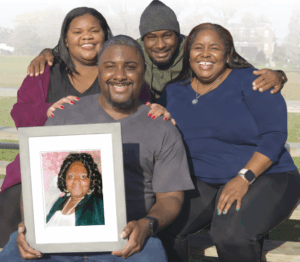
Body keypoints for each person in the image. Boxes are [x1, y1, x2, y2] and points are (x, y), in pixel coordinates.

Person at [0, 35, 194, 261]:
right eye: (110, 67)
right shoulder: (65, 114)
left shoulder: (161, 128)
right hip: (56, 236)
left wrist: (146, 225)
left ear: (144, 72)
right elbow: (34, 185)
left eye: (130, 67)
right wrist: (30, 228)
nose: (120, 75)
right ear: (99, 72)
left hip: (127, 238)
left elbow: (171, 197)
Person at [156, 23, 300, 262]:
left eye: (214, 47)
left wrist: (244, 177)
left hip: (268, 175)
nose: (205, 54)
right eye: (198, 47)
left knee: (230, 234)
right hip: (206, 180)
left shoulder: (254, 81)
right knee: (164, 225)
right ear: (188, 53)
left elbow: (274, 135)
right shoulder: (173, 92)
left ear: (227, 52)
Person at [27, 0, 287, 102]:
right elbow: (97, 50)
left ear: (178, 35)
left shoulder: (194, 49)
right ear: (143, 39)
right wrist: (49, 52)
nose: (160, 45)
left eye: (167, 36)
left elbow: (239, 65)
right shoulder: (135, 50)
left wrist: (278, 74)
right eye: (152, 38)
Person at [46, 153, 105, 227]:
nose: (76, 181)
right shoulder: (59, 202)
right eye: (71, 176)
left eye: (83, 177)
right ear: (64, 179)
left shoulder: (99, 204)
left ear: (92, 180)